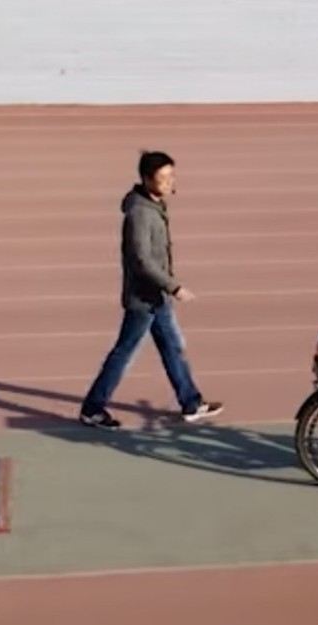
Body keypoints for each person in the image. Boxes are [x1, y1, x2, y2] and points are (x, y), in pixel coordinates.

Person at [78, 150, 223, 429]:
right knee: (124, 354)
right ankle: (92, 409)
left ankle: (191, 403)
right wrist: (174, 286)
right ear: (146, 180)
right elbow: (142, 260)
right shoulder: (140, 213)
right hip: (144, 299)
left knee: (173, 348)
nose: (170, 182)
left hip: (157, 297)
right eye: (163, 177)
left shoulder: (153, 205)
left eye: (172, 175)